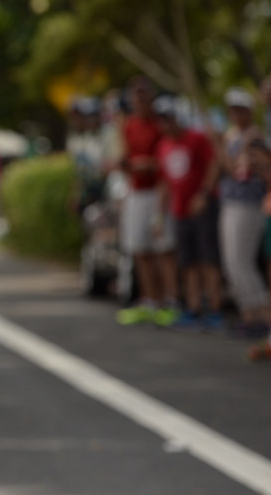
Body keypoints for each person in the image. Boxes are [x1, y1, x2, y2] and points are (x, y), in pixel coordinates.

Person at [152, 96, 224, 329]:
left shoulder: (196, 138)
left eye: (169, 118)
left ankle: (214, 309)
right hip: (179, 210)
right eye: (161, 120)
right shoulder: (163, 146)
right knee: (188, 261)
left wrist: (203, 194)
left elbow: (213, 165)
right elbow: (164, 182)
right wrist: (159, 215)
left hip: (203, 207)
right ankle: (192, 308)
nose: (166, 124)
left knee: (208, 259)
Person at [114, 77, 179, 326]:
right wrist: (126, 165)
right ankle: (149, 301)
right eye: (135, 94)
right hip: (136, 191)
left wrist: (145, 164)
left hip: (159, 192)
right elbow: (125, 156)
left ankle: (170, 301)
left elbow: (166, 157)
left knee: (163, 248)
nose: (139, 98)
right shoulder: (128, 124)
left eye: (143, 93)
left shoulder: (160, 123)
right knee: (140, 249)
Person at [216, 88, 270, 338]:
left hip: (248, 206)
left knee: (242, 262)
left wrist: (219, 150)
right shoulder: (231, 135)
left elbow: (238, 170)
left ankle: (262, 316)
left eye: (241, 109)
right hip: (230, 203)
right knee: (232, 263)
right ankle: (249, 316)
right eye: (233, 109)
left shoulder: (254, 136)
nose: (236, 114)